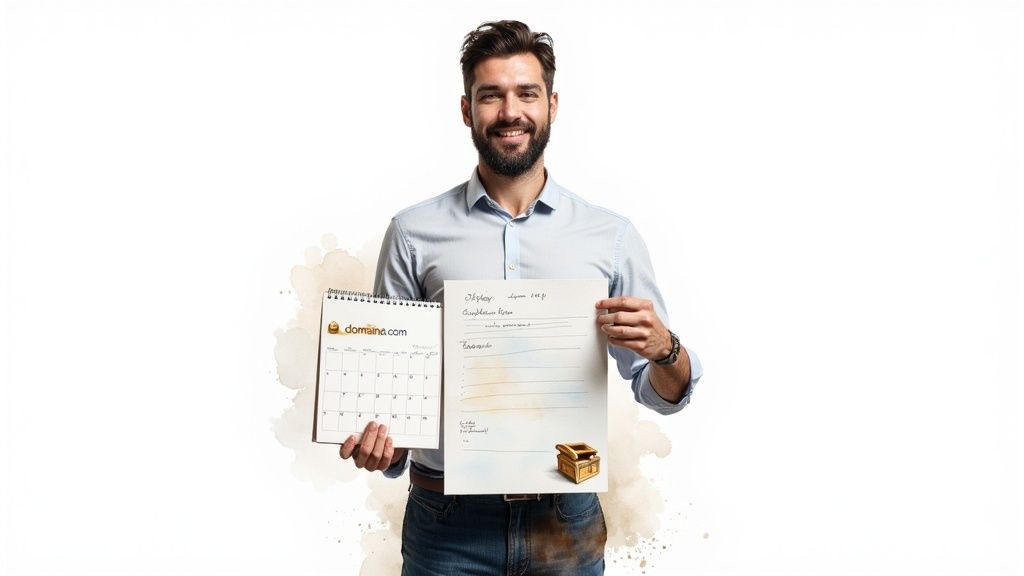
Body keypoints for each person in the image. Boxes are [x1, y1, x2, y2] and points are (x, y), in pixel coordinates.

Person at [339, 20, 703, 575]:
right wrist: (381, 445)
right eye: (491, 95)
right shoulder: (414, 233)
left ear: (552, 105)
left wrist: (665, 348)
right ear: (467, 110)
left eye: (526, 93)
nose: (510, 111)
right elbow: (389, 402)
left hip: (567, 519)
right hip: (446, 527)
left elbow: (663, 395)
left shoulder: (611, 236)